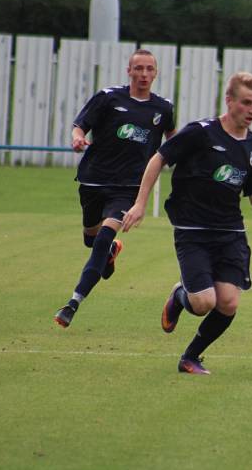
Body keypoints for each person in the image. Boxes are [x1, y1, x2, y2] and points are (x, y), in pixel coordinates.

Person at [121, 71, 252, 375]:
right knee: (202, 303)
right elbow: (158, 158)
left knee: (227, 304)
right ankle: (180, 295)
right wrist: (139, 203)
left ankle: (190, 357)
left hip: (231, 234)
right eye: (246, 103)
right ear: (229, 101)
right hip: (193, 231)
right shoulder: (200, 133)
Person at [54, 49, 175, 328]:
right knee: (91, 238)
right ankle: (110, 252)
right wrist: (77, 139)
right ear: (128, 71)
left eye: (149, 69)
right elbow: (79, 126)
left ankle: (73, 302)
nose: (144, 74)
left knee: (102, 239)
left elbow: (172, 139)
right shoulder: (108, 98)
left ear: (155, 73)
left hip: (129, 187)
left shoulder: (163, 108)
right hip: (93, 180)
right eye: (139, 69)